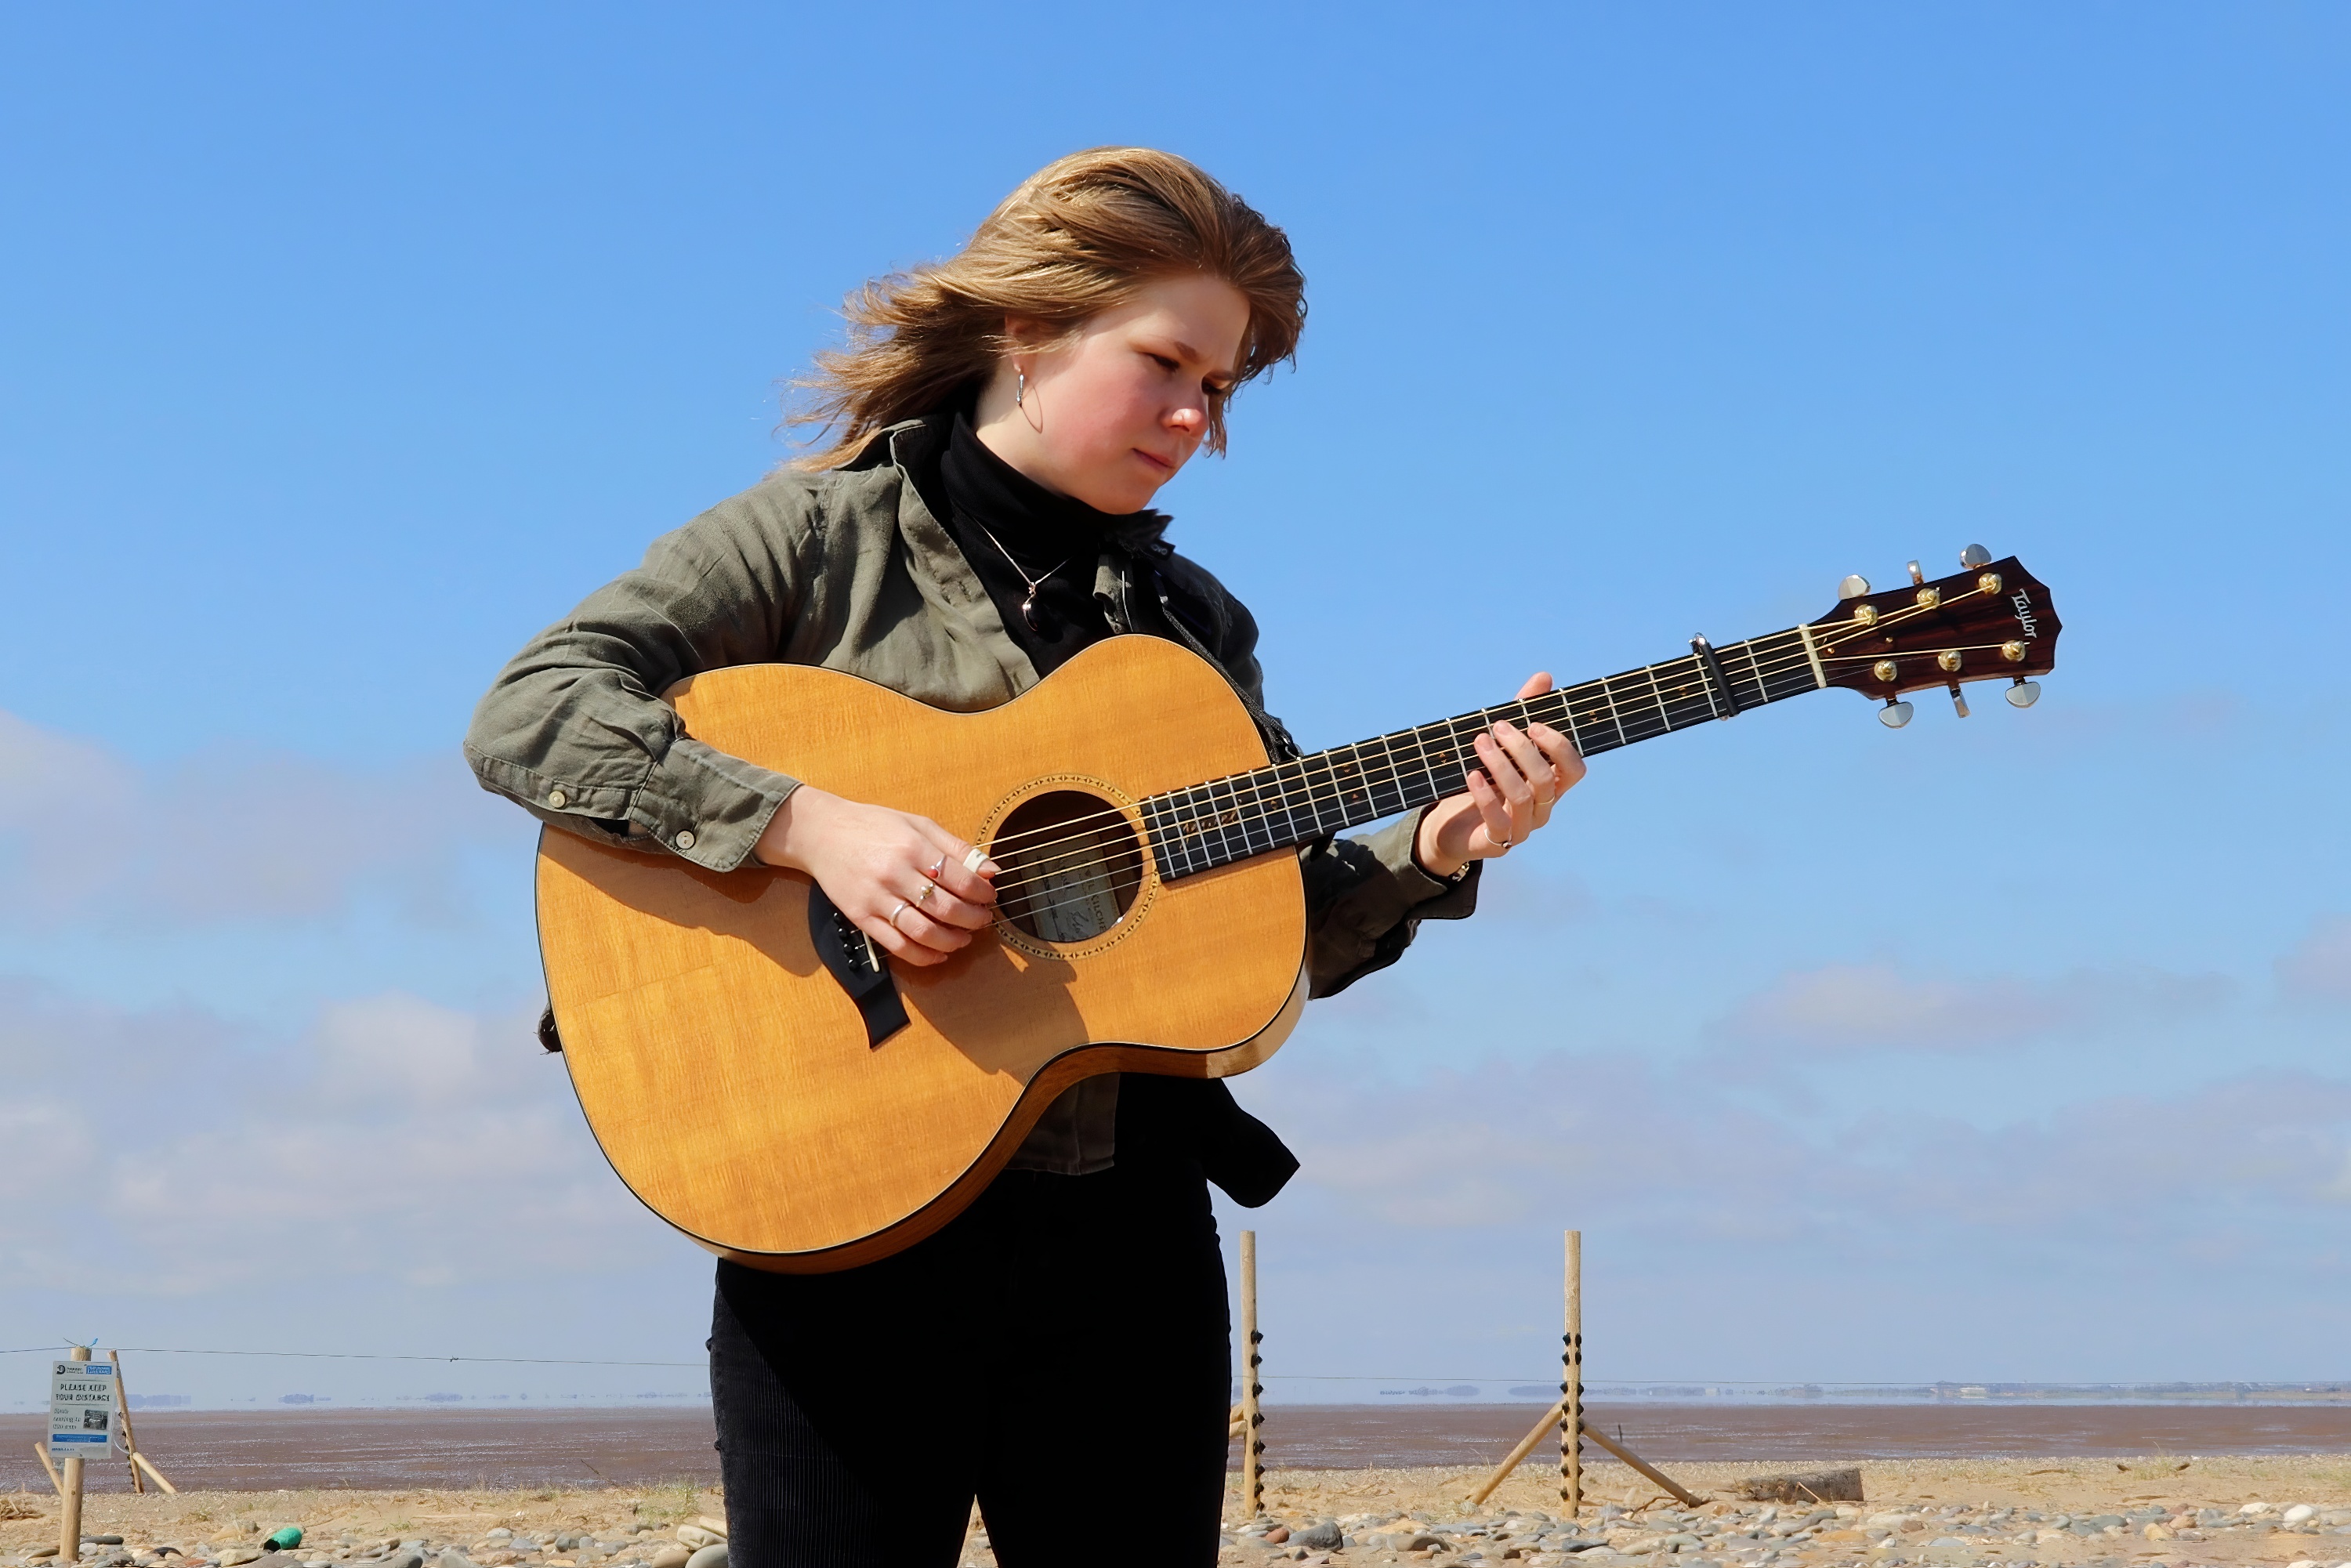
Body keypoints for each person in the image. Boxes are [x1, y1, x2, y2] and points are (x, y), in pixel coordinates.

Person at [465, 147, 1584, 1568]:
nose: (1193, 416)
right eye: (1166, 361)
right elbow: (533, 709)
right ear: (1029, 327)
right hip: (839, 1230)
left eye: (1222, 389)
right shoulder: (815, 538)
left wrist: (1433, 848)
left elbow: (1250, 939)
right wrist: (819, 829)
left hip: (1126, 1250)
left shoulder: (1198, 635)